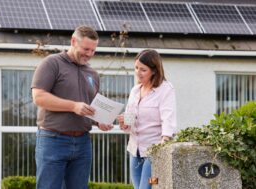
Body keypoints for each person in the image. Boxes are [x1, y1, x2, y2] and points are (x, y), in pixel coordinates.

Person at [31, 25, 113, 189]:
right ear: (73, 41)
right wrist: (73, 106)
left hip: (83, 143)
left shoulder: (93, 74)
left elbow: (92, 107)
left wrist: (100, 121)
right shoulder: (51, 63)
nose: (89, 54)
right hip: (53, 140)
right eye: (86, 49)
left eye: (93, 50)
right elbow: (39, 97)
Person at [117, 49, 177, 189]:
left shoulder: (165, 89)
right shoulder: (135, 90)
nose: (138, 72)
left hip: (153, 153)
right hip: (134, 151)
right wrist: (125, 122)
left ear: (154, 71)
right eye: (136, 68)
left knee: (148, 187)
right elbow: (130, 121)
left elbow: (168, 119)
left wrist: (162, 147)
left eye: (143, 69)